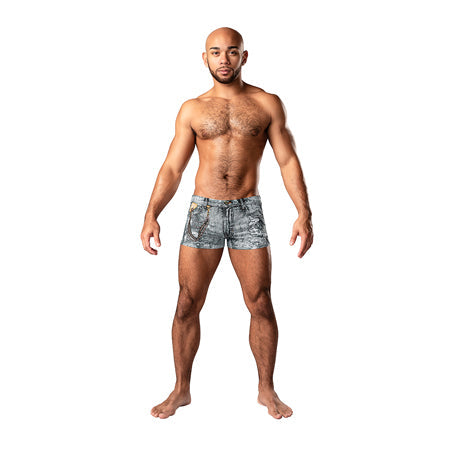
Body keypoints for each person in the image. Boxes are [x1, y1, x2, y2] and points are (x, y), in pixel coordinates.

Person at [141, 27, 313, 420]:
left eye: (232, 51)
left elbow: (287, 160)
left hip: (247, 211)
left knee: (260, 301)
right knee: (187, 301)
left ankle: (266, 389)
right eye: (216, 52)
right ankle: (181, 389)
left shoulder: (266, 103)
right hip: (203, 212)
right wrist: (152, 213)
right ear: (205, 58)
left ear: (243, 57)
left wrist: (303, 212)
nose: (224, 59)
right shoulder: (192, 109)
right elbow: (173, 167)